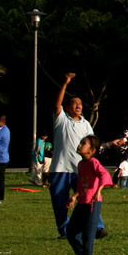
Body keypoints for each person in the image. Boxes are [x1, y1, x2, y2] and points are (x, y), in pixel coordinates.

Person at [49, 73, 104, 238]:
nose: (78, 105)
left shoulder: (86, 124)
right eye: (74, 103)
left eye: (80, 103)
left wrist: (109, 144)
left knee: (89, 198)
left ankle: (97, 227)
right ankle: (65, 231)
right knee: (60, 203)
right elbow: (57, 104)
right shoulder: (62, 120)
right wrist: (65, 83)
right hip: (60, 168)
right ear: (67, 107)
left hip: (81, 170)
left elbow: (93, 145)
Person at [66, 135, 113, 255]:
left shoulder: (94, 162)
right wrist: (74, 197)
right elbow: (83, 186)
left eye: (83, 143)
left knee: (88, 233)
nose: (80, 145)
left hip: (92, 203)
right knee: (71, 230)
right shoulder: (81, 164)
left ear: (92, 150)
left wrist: (98, 191)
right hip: (82, 202)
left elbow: (104, 175)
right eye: (80, 143)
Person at [0, 115, 8, 204]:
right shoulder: (7, 129)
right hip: (5, 157)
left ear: (0, 121)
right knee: (1, 178)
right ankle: (1, 196)